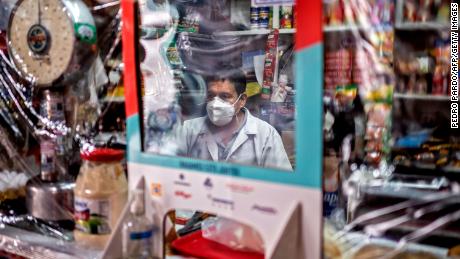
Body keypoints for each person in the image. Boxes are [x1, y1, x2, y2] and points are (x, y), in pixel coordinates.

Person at [178, 71, 292, 171]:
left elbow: (283, 183)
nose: (215, 103)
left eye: (225, 96)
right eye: (211, 96)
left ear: (242, 100)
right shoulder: (189, 130)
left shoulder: (266, 135)